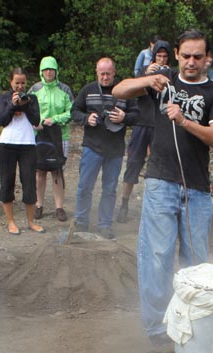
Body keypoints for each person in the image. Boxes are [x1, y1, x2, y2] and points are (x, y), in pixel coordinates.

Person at [113, 29, 213, 347]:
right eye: (186, 55)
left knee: (197, 261)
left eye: (198, 56)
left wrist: (184, 121)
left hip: (198, 189)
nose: (191, 62)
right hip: (161, 182)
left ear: (207, 58)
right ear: (176, 54)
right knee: (157, 257)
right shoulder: (163, 80)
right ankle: (157, 330)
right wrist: (148, 81)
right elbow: (120, 90)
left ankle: (194, 325)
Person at [71, 57, 138, 240]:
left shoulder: (125, 91)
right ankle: (82, 221)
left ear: (114, 73)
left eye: (109, 73)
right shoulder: (88, 90)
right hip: (92, 146)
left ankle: (105, 224)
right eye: (102, 74)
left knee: (109, 189)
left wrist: (124, 117)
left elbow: (137, 115)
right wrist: (87, 119)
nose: (105, 77)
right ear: (97, 72)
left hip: (115, 149)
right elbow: (74, 111)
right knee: (85, 186)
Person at [117, 40, 173, 224]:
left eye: (165, 56)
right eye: (159, 56)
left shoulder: (173, 74)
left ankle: (159, 208)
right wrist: (146, 74)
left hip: (161, 124)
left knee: (161, 166)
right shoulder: (143, 72)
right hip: (142, 123)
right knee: (133, 163)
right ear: (153, 57)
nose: (162, 60)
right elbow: (126, 89)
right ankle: (124, 203)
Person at [0, 67, 44, 235]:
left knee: (29, 183)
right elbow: (0, 120)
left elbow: (36, 120)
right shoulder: (3, 98)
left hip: (28, 144)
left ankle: (30, 221)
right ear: (11, 82)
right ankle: (11, 221)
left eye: (23, 83)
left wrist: (26, 105)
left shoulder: (32, 98)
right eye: (17, 83)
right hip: (7, 144)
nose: (20, 86)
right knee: (7, 182)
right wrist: (12, 105)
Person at [29, 56, 74, 221]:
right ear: (41, 71)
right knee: (40, 170)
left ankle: (59, 207)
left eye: (52, 69)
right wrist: (36, 122)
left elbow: (72, 111)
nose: (49, 72)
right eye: (46, 69)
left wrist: (55, 119)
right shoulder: (34, 89)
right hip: (39, 135)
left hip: (60, 134)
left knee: (57, 170)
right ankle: (39, 205)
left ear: (56, 71)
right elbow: (28, 108)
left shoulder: (65, 89)